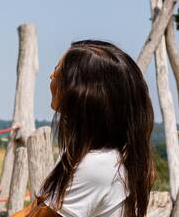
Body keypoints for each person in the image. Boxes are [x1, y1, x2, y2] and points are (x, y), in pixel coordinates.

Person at [13, 40, 155, 217]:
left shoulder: (97, 165)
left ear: (82, 91)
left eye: (59, 71)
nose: (51, 76)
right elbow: (36, 208)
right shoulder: (88, 156)